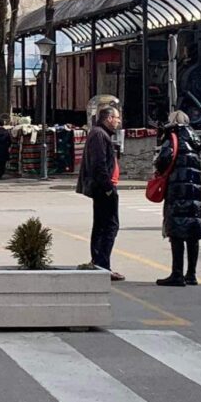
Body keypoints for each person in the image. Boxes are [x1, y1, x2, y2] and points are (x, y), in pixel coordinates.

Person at [154, 111, 201, 287]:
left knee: (176, 234)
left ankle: (177, 274)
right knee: (192, 234)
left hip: (177, 191)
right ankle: (191, 274)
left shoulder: (173, 137)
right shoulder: (194, 139)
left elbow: (162, 161)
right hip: (194, 194)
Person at [75, 106, 125, 281]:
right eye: (117, 118)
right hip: (104, 188)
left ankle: (99, 263)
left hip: (104, 187)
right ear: (108, 118)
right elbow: (99, 164)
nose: (118, 121)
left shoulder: (100, 134)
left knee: (103, 226)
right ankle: (102, 265)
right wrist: (108, 188)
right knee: (109, 226)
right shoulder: (98, 135)